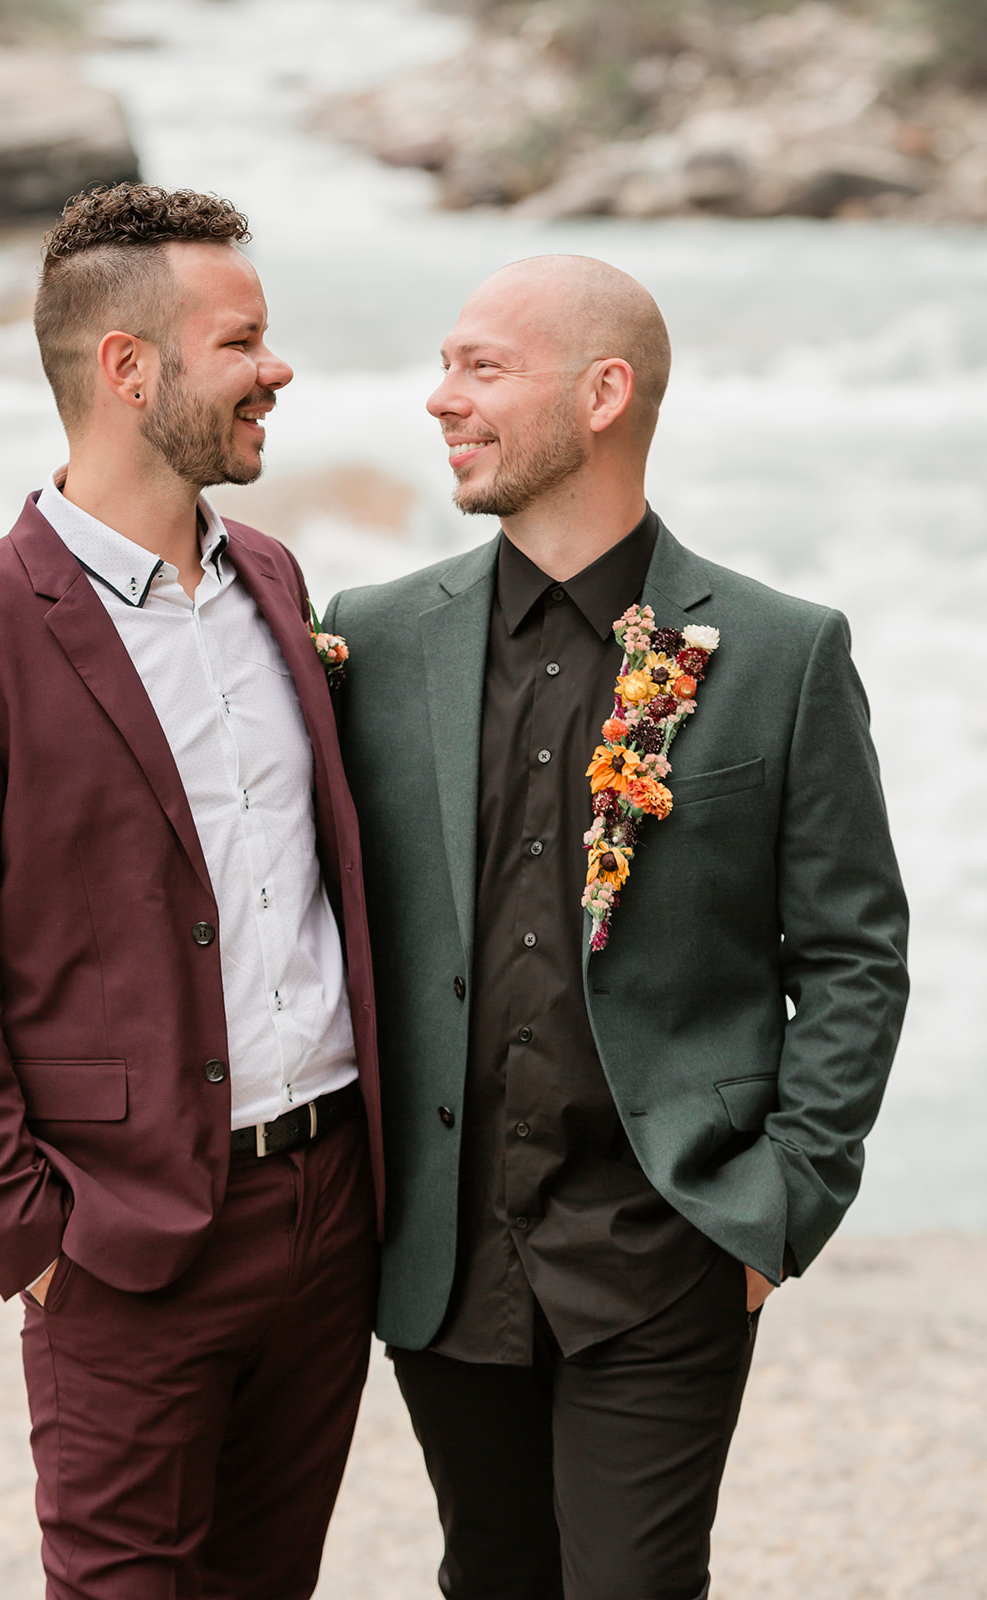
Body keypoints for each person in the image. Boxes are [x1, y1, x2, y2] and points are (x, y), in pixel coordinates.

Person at [324, 254, 908, 1600]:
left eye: (481, 368)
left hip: (668, 1248)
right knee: (489, 1576)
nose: (440, 401)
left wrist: (781, 1200)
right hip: (442, 1257)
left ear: (602, 393)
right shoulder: (374, 639)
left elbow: (854, 949)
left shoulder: (780, 652)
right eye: (443, 366)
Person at [0, 183, 382, 1600]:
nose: (276, 370)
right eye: (244, 342)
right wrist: (26, 1232)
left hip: (332, 1209)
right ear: (128, 370)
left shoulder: (274, 578)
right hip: (123, 1234)